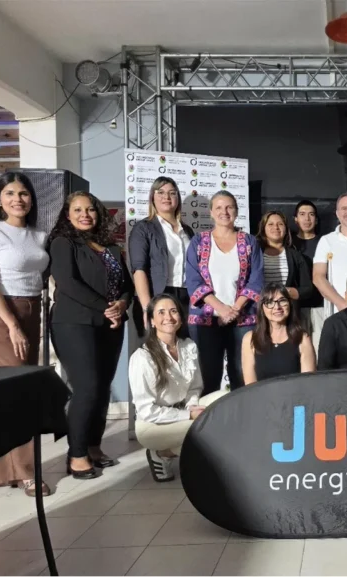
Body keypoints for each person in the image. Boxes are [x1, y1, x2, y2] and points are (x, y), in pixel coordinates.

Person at [49, 191, 134, 480]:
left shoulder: (110, 247)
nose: (85, 214)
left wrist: (121, 304)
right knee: (86, 387)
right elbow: (68, 283)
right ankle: (76, 454)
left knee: (102, 387)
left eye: (90, 209)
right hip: (74, 323)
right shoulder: (63, 243)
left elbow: (126, 284)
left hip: (110, 324)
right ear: (68, 215)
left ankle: (94, 446)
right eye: (78, 210)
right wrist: (107, 308)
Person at [0, 173, 50, 497]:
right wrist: (11, 324)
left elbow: (42, 276)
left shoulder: (39, 234)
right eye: (10, 193)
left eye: (23, 193)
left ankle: (3, 471)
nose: (17, 199)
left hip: (32, 311)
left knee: (13, 392)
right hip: (0, 315)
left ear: (32, 199)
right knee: (20, 392)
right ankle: (27, 472)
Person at [129, 294, 228, 482]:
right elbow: (147, 411)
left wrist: (191, 407)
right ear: (152, 321)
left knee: (224, 400)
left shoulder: (188, 346)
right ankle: (162, 452)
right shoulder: (142, 357)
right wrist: (188, 415)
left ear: (181, 319)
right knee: (207, 426)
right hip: (153, 424)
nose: (168, 317)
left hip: (184, 410)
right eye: (161, 312)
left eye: (173, 311)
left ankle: (166, 453)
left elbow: (195, 387)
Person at [186, 191, 263, 394]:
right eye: (219, 207)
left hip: (243, 318)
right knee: (207, 375)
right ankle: (208, 415)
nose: (224, 212)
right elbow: (193, 281)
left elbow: (256, 280)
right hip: (205, 320)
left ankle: (243, 413)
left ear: (236, 211)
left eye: (229, 207)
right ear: (211, 212)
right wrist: (221, 308)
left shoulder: (250, 242)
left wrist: (234, 310)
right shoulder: (198, 242)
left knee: (242, 374)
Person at [128, 177, 194, 335]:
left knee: (185, 347)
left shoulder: (188, 231)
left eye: (172, 193)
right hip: (157, 297)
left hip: (186, 297)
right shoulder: (143, 228)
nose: (167, 197)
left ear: (177, 198)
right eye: (161, 192)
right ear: (152, 197)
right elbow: (139, 269)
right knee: (158, 348)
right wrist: (148, 308)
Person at [241, 283, 316, 384]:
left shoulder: (302, 338)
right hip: (261, 394)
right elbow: (250, 386)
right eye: (269, 302)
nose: (277, 307)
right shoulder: (250, 339)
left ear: (290, 304)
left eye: (282, 301)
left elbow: (308, 384)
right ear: (262, 308)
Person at [256, 211, 314, 305]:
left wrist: (286, 292)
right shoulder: (254, 254)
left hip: (286, 309)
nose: (276, 227)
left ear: (286, 229)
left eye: (280, 224)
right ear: (263, 229)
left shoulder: (296, 256)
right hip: (259, 308)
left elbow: (308, 289)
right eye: (270, 224)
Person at [291, 200, 325, 350]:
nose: (307, 218)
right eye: (302, 214)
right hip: (295, 308)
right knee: (298, 351)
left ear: (316, 219)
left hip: (321, 306)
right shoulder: (288, 244)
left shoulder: (325, 242)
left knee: (319, 350)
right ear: (295, 219)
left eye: (311, 215)